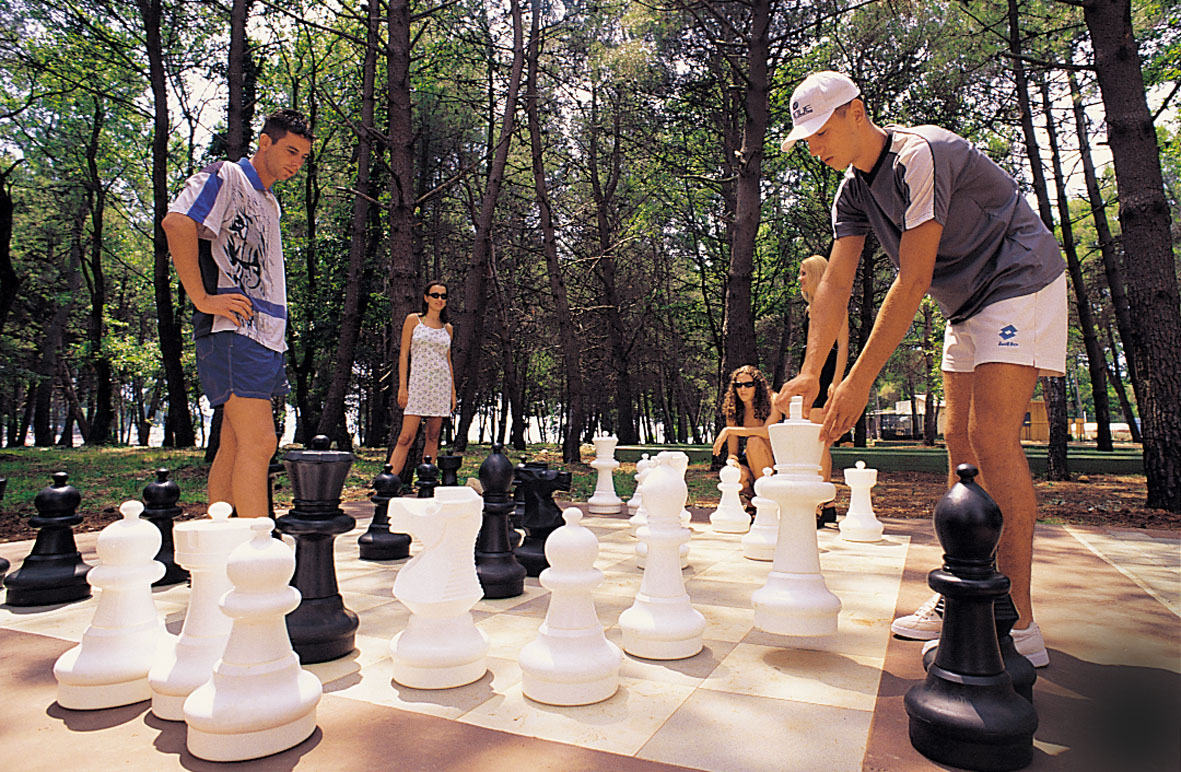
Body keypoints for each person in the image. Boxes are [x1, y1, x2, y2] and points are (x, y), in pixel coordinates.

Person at [775, 71, 1065, 667]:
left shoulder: (919, 155)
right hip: (966, 302)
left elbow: (911, 281)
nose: (815, 146)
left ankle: (1019, 622)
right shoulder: (851, 193)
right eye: (805, 138)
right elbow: (835, 283)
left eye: (821, 130)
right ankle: (965, 593)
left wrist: (855, 382)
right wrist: (811, 371)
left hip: (1018, 278)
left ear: (856, 112)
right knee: (958, 440)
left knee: (992, 437)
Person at [163, 108, 313, 518]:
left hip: (265, 335)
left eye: (303, 157)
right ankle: (257, 554)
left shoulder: (269, 203)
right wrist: (202, 298)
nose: (296, 164)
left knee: (235, 444)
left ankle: (224, 544)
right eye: (290, 151)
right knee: (262, 442)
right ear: (265, 142)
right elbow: (177, 223)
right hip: (233, 330)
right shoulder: (225, 176)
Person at [388, 280, 457, 477]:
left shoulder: (447, 328)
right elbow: (403, 355)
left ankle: (426, 484)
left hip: (440, 385)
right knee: (405, 437)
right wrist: (403, 387)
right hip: (418, 384)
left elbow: (448, 361)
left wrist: (453, 392)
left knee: (433, 436)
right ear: (426, 298)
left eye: (443, 296)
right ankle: (387, 483)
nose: (439, 299)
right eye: (435, 295)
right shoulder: (413, 321)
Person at [798, 254, 849, 485]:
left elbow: (843, 346)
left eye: (804, 272)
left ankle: (825, 501)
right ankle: (814, 493)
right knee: (809, 437)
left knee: (819, 438)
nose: (800, 278)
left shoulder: (835, 305)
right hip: (811, 375)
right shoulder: (810, 309)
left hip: (826, 375)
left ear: (817, 273)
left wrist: (836, 382)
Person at [712, 366, 782, 502]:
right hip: (749, 459)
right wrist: (732, 460)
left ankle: (764, 498)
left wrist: (728, 430)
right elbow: (733, 452)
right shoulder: (733, 408)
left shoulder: (773, 400)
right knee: (737, 476)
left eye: (748, 385)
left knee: (754, 441)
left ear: (758, 386)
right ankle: (752, 501)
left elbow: (766, 432)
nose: (742, 389)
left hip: (776, 461)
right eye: (738, 385)